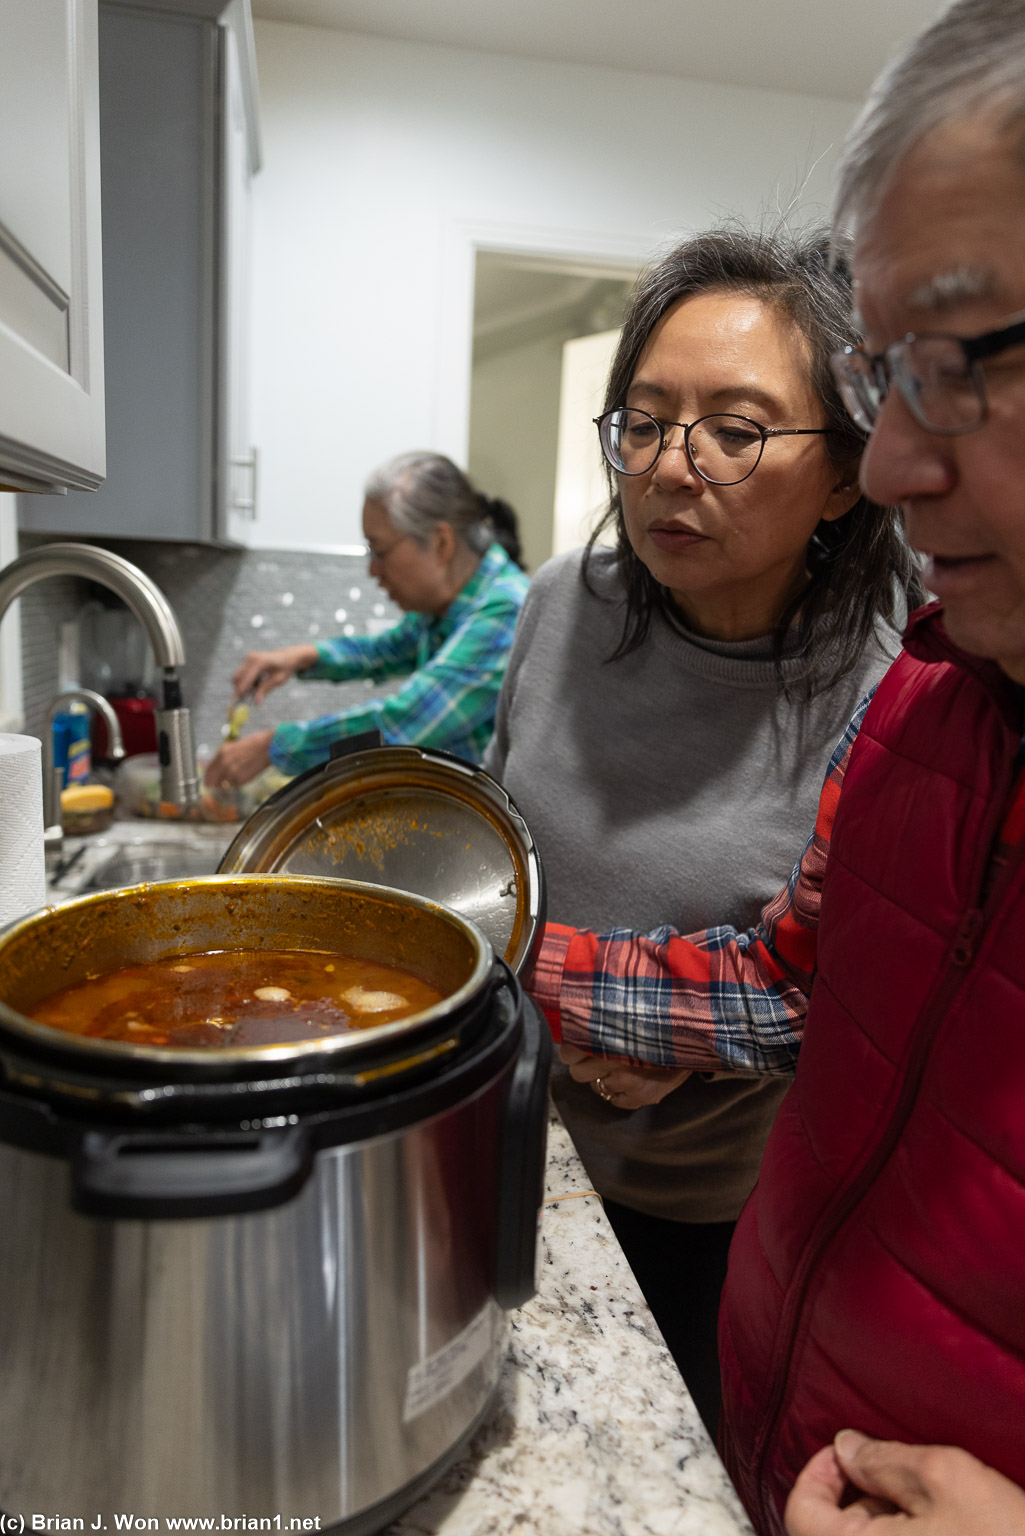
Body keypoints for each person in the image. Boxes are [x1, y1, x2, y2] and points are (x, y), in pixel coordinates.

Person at [526, 1, 1025, 1531]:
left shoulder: (883, 660)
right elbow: (800, 985)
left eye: (972, 361)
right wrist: (502, 959)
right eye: (893, 377)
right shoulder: (940, 709)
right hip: (776, 1420)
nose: (894, 465)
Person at [484, 224, 922, 1437]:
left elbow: (823, 992)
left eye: (735, 429)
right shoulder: (560, 604)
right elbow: (492, 836)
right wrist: (587, 1018)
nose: (673, 466)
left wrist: (678, 1032)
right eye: (642, 420)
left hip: (713, 1218)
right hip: (506, 1146)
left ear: (842, 471)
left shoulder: (893, 686)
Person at [204, 453, 528, 786]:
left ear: (440, 543)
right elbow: (384, 651)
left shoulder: (506, 613)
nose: (373, 571)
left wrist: (272, 747)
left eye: (380, 550)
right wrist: (301, 658)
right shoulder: (448, 606)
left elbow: (402, 725)